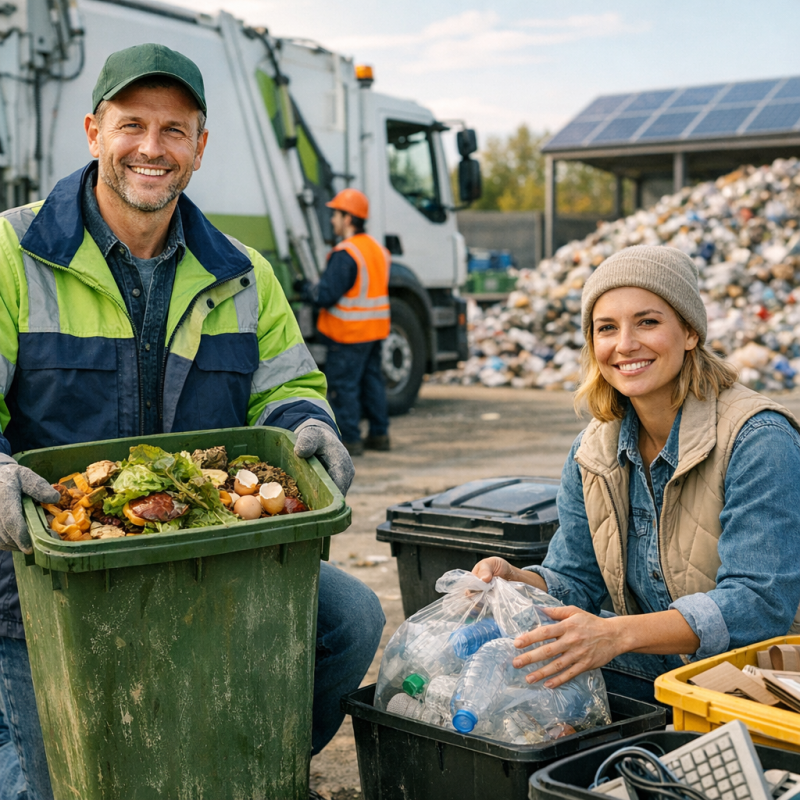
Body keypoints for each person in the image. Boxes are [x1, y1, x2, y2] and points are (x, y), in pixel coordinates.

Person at [0, 44, 384, 800]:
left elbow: (289, 382)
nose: (152, 147)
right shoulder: (13, 252)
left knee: (350, 618)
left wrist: (310, 425)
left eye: (174, 130)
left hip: (207, 555)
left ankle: (226, 758)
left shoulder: (243, 269)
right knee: (55, 784)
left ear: (200, 147)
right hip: (42, 572)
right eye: (131, 125)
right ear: (93, 132)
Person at [474, 245, 800, 707]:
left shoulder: (758, 438)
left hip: (767, 684)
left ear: (689, 332)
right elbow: (576, 579)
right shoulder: (593, 450)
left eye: (647, 322)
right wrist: (519, 582)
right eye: (607, 328)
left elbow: (759, 603)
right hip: (669, 671)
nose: (625, 344)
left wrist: (615, 635)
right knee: (501, 669)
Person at [306, 188, 391, 456]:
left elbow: (325, 296)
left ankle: (351, 440)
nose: (332, 220)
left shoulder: (346, 253)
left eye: (336, 214)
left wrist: (307, 289)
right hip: (374, 330)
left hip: (348, 334)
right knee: (372, 383)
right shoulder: (377, 249)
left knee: (345, 388)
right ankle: (380, 435)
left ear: (349, 218)